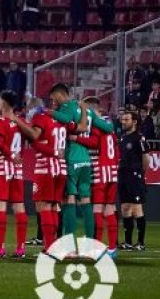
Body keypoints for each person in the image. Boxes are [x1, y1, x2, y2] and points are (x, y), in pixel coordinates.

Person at [50, 83, 113, 242]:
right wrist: (91, 113)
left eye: (54, 98)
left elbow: (64, 119)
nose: (54, 101)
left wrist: (47, 112)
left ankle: (68, 244)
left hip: (72, 158)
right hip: (86, 160)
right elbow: (108, 127)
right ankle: (90, 243)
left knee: (69, 198)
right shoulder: (89, 111)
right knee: (86, 200)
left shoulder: (68, 107)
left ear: (60, 94)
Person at [7, 97, 67, 251]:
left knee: (43, 206)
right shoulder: (60, 120)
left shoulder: (40, 117)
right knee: (54, 206)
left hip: (46, 167)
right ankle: (55, 245)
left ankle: (49, 247)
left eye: (28, 109)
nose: (27, 113)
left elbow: (34, 135)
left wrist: (17, 120)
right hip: (61, 168)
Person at [0, 91, 29, 259]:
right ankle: (20, 249)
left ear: (3, 104)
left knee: (0, 207)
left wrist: (10, 155)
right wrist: (18, 157)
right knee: (19, 207)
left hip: (1, 168)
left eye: (0, 102)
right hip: (17, 170)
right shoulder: (21, 123)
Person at [80, 96, 120, 255]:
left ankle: (95, 247)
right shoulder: (110, 126)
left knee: (97, 209)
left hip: (100, 172)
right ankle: (112, 248)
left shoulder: (96, 126)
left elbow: (94, 143)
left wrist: (76, 138)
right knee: (109, 209)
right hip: (112, 172)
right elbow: (116, 150)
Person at [118, 109, 148, 251]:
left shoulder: (139, 138)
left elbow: (146, 158)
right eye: (122, 119)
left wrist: (140, 173)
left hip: (135, 175)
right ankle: (128, 242)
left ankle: (141, 243)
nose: (123, 122)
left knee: (136, 208)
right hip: (123, 175)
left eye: (126, 119)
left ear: (134, 122)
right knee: (125, 208)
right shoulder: (122, 137)